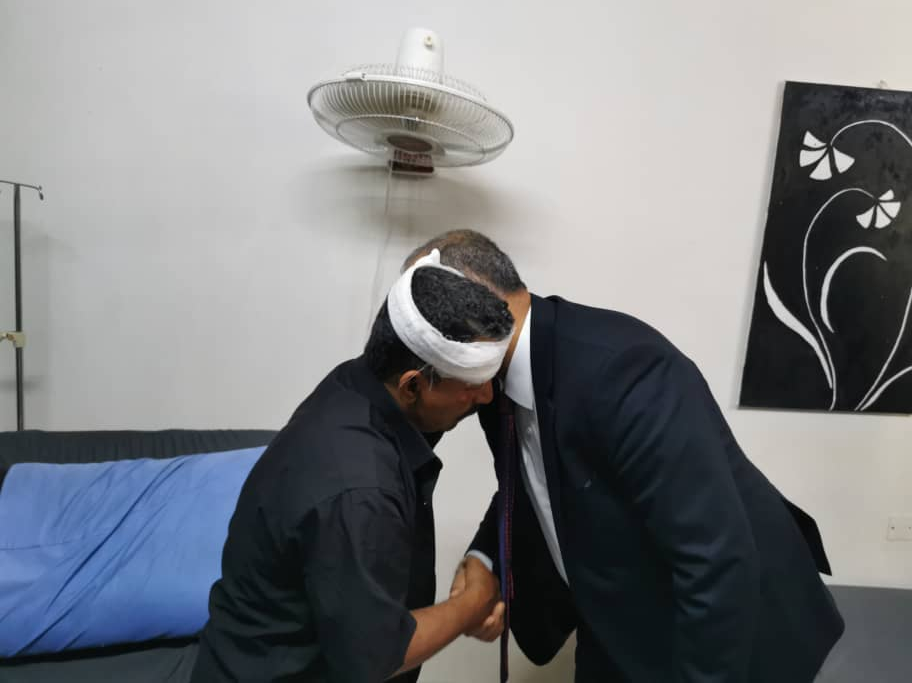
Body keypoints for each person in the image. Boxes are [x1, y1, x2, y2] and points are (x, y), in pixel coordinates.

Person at [405, 231, 845, 683]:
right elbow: (531, 482)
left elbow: (716, 564)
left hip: (728, 636)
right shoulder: (493, 383)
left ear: (471, 310)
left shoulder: (623, 372)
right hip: (620, 619)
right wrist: (485, 557)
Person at [191, 250, 513, 683]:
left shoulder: (357, 383)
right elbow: (376, 656)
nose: (486, 396)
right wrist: (472, 603)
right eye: (472, 385)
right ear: (413, 386)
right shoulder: (361, 491)